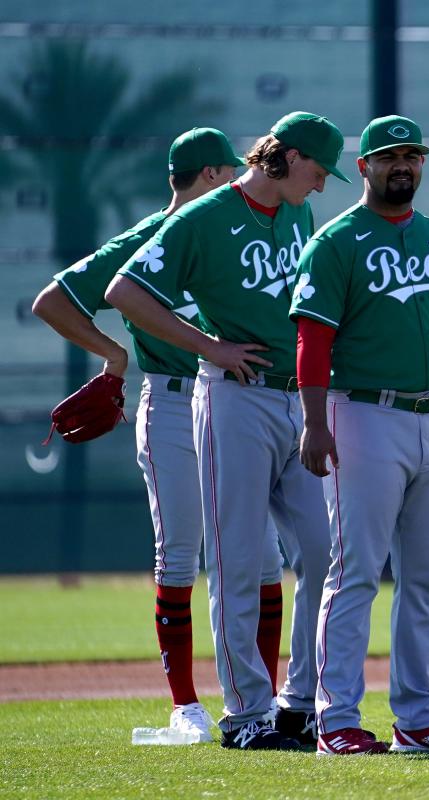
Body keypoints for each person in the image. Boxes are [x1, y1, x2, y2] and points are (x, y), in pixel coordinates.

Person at [31, 128, 287, 743]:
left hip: (242, 405)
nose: (239, 180)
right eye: (230, 171)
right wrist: (114, 355)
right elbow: (52, 301)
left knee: (266, 557)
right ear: (207, 176)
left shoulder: (250, 231)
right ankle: (186, 705)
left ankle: (268, 698)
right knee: (179, 555)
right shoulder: (145, 240)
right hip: (173, 405)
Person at [106, 112, 349, 750]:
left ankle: (297, 701)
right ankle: (246, 715)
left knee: (328, 554)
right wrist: (208, 345)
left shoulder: (297, 213)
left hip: (297, 401)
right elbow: (124, 290)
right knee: (239, 558)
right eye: (319, 171)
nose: (323, 186)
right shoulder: (204, 216)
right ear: (290, 158)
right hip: (235, 401)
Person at [289, 115, 429, 756]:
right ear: (364, 168)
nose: (402, 165)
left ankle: (417, 716)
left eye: (412, 155)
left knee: (426, 579)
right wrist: (316, 424)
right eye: (389, 156)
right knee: (355, 573)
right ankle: (337, 719)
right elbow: (312, 340)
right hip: (364, 416)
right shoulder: (337, 242)